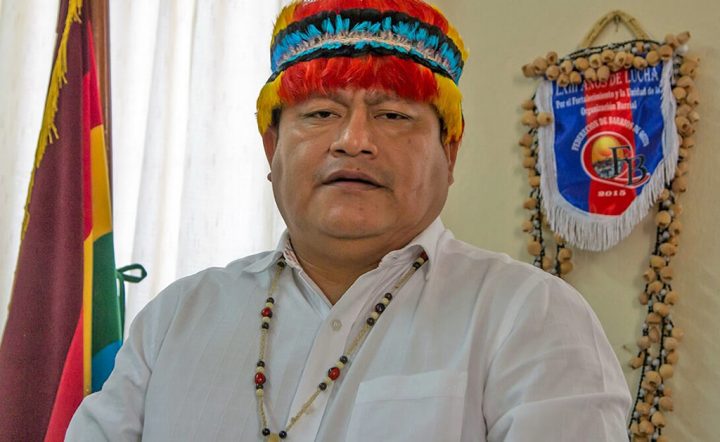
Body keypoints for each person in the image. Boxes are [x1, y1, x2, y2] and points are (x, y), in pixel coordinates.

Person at [67, 0, 631, 440]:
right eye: (320, 113)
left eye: (393, 115)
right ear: (271, 149)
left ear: (450, 152)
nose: (354, 140)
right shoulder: (174, 319)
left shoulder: (529, 316)